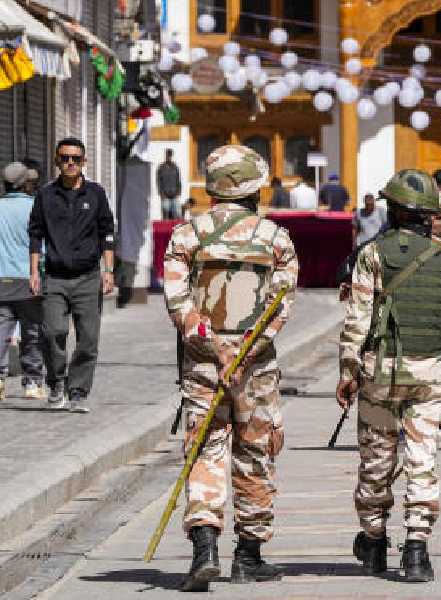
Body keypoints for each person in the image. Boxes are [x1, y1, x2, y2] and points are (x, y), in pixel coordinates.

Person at [163, 144, 298, 592]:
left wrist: (214, 346)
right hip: (254, 369)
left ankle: (204, 546)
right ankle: (249, 554)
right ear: (253, 187)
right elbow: (280, 305)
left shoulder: (186, 236)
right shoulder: (275, 239)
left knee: (205, 449)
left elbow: (178, 301)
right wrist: (242, 350)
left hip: (203, 364)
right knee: (255, 452)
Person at [336, 169, 441, 583]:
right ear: (429, 214)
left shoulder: (372, 255)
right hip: (428, 373)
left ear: (394, 210)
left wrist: (348, 370)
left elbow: (357, 321)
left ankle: (375, 543)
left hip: (379, 372)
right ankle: (416, 550)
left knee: (377, 460)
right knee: (421, 459)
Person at [28, 137, 115, 413]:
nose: (70, 163)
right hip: (54, 277)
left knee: (88, 339)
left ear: (83, 162)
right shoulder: (45, 195)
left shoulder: (96, 194)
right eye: (65, 158)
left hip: (88, 277)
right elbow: (35, 235)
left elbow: (107, 234)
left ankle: (77, 391)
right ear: (56, 161)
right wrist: (34, 272)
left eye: (75, 159)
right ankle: (56, 383)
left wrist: (108, 270)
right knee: (53, 332)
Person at [0, 162, 45, 401]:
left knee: (1, 331)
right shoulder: (34, 208)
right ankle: (32, 382)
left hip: (1, 279)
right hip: (29, 279)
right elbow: (43, 247)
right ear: (23, 183)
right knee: (32, 333)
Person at [157, 148, 182, 220]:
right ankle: (165, 229)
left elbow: (178, 180)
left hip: (174, 194)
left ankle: (176, 229)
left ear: (172, 156)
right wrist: (161, 194)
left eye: (170, 155)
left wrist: (178, 192)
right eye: (168, 155)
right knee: (166, 213)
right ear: (165, 156)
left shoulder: (175, 167)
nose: (169, 157)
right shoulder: (161, 168)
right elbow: (158, 182)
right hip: (165, 195)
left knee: (177, 214)